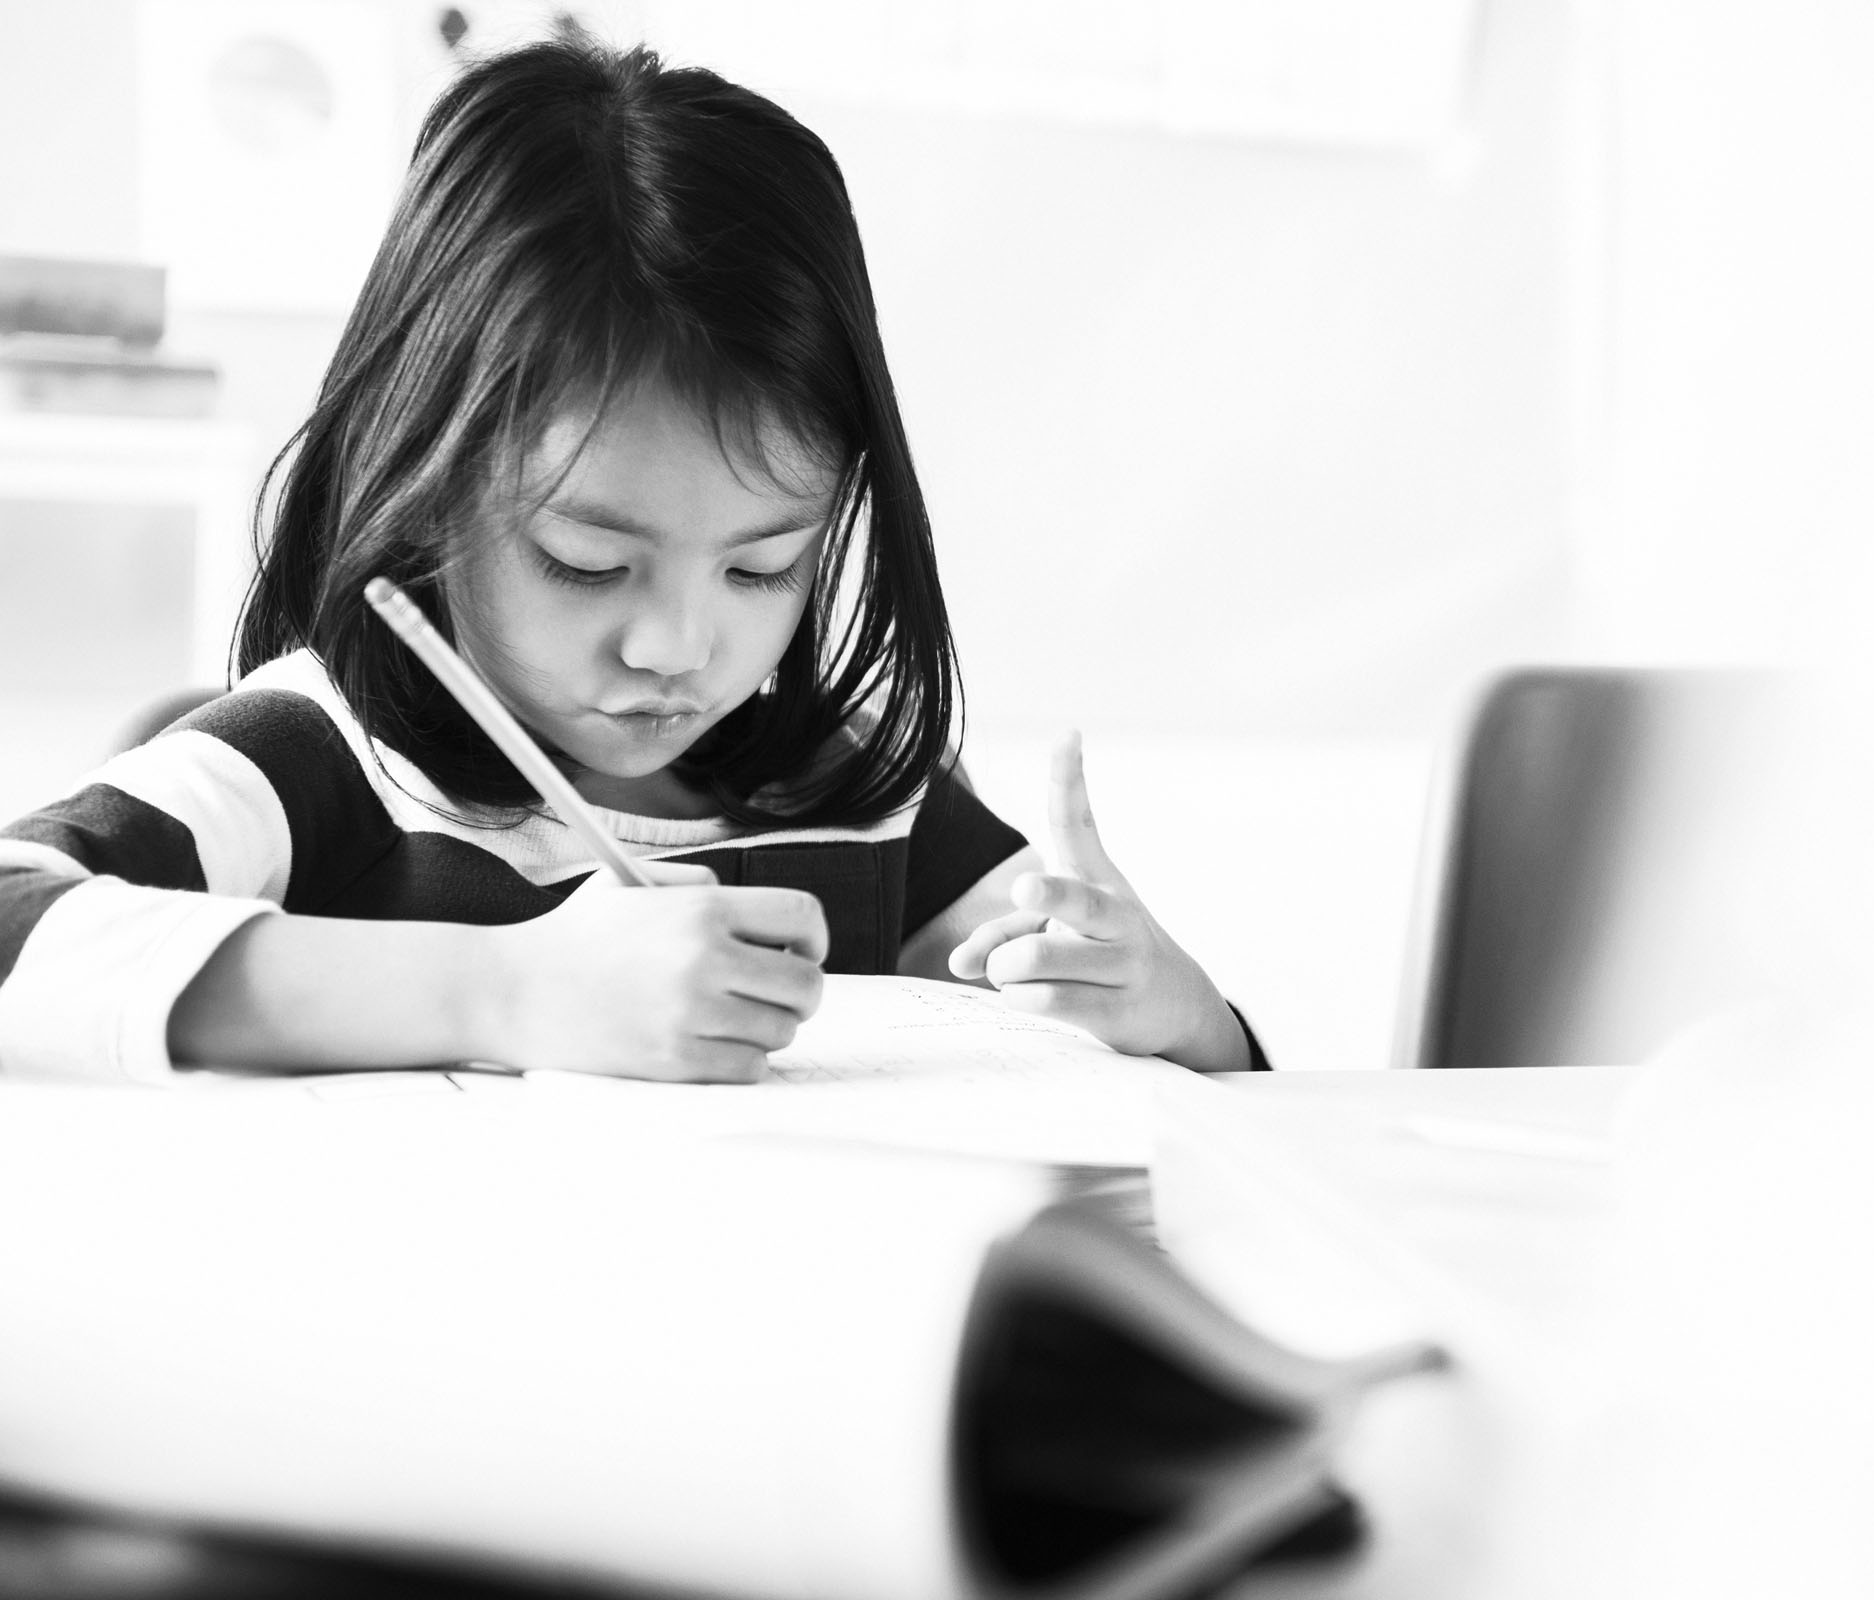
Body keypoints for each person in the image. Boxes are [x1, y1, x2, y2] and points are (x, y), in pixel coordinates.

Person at [0, 35, 1261, 1084]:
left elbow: (1188, 1097)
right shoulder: (320, 765)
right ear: (426, 486)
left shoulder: (860, 796)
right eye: (588, 563)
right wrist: (501, 991)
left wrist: (1177, 1012)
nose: (677, 649)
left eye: (762, 569)